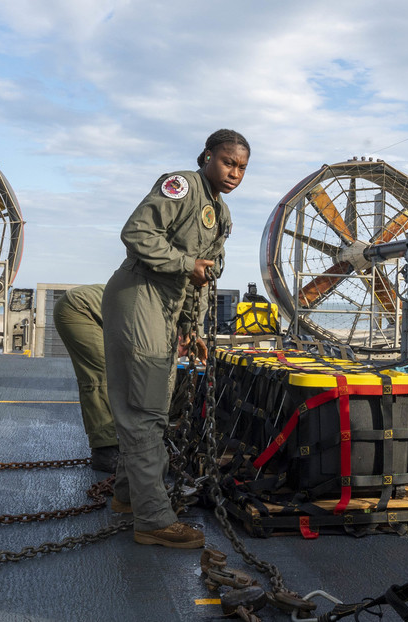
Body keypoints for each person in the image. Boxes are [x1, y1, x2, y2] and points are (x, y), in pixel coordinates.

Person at [102, 129, 249, 548]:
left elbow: (200, 279)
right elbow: (137, 233)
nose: (235, 173)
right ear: (207, 157)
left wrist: (191, 328)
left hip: (167, 306)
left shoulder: (221, 213)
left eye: (242, 168)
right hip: (140, 294)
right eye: (228, 162)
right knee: (145, 410)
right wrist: (186, 263)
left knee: (154, 404)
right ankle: (152, 520)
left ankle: (128, 497)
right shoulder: (181, 186)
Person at [52, 283, 119, 472]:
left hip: (92, 311)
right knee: (100, 376)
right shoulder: (160, 320)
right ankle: (105, 451)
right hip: (78, 309)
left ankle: (114, 440)